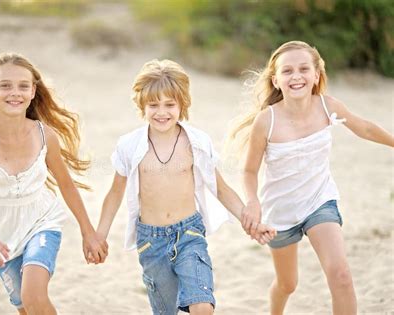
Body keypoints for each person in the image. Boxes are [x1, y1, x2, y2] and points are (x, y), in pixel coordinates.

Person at [96, 59, 276, 315]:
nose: (162, 112)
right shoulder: (129, 146)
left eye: (170, 104)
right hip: (151, 240)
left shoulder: (197, 142)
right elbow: (115, 194)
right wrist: (99, 235)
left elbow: (221, 188)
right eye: (153, 105)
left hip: (189, 234)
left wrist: (251, 222)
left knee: (202, 306)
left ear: (182, 104)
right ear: (142, 106)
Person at [229, 40, 394, 315]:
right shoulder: (266, 121)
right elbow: (248, 170)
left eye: (304, 69)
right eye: (288, 71)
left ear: (316, 75)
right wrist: (252, 202)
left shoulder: (328, 106)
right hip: (279, 211)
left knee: (341, 275)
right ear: (277, 80)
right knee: (287, 284)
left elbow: (364, 128)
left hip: (319, 201)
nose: (297, 76)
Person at [0, 52, 108, 315]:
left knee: (34, 296)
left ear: (33, 91)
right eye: (5, 85)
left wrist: (88, 232)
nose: (15, 93)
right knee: (26, 308)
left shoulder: (45, 136)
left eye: (23, 86)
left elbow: (66, 186)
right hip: (1, 238)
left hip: (42, 222)